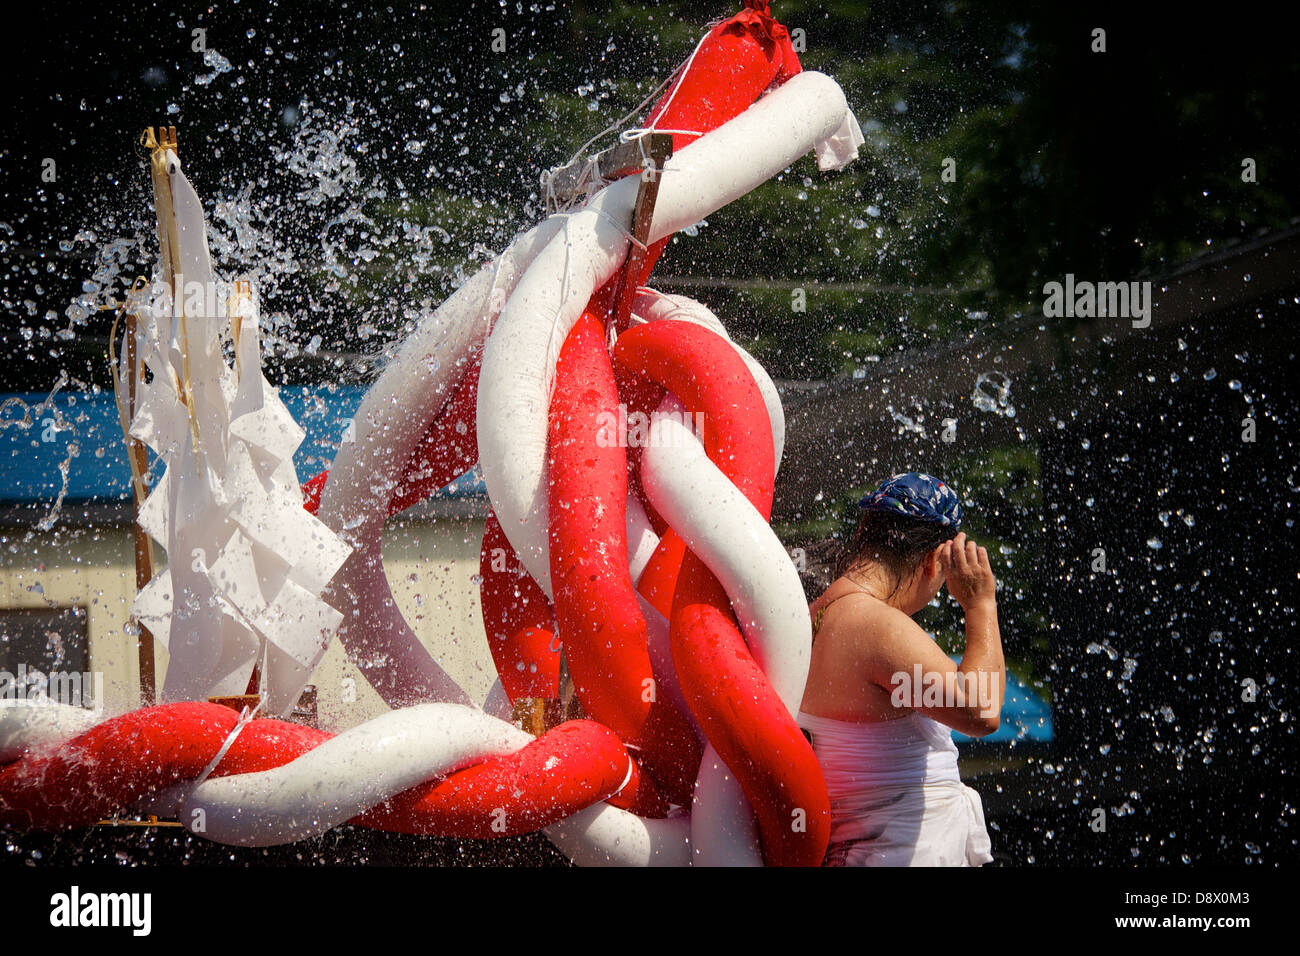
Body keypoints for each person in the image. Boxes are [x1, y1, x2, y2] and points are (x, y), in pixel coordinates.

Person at [798, 472, 1004, 866]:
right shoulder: (874, 625)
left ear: (863, 532)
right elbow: (982, 712)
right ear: (934, 561)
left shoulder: (812, 617)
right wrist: (981, 607)